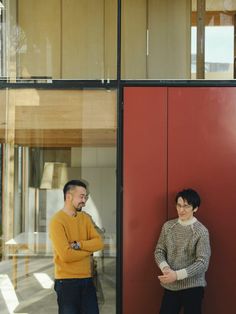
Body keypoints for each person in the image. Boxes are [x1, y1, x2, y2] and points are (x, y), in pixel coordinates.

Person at [49, 179, 104, 314]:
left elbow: (99, 243)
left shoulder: (85, 218)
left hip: (87, 279)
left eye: (85, 197)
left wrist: (79, 245)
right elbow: (66, 255)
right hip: (66, 282)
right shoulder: (57, 221)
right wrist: (89, 251)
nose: (84, 200)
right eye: (81, 196)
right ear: (69, 197)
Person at [154, 188, 211, 314]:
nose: (181, 210)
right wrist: (165, 268)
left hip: (193, 286)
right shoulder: (168, 226)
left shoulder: (201, 231)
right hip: (170, 286)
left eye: (186, 206)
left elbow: (202, 263)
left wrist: (177, 275)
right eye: (179, 205)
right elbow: (159, 250)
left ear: (195, 208)